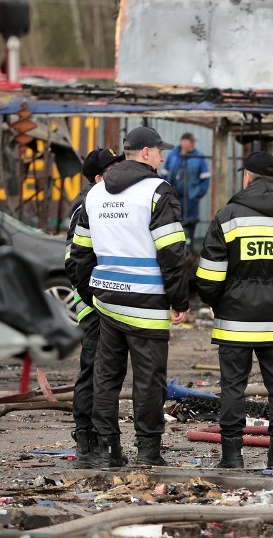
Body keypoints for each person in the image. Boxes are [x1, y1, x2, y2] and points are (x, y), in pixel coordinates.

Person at [70, 126, 190, 468]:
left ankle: (109, 448)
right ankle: (148, 450)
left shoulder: (96, 193)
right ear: (147, 153)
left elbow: (79, 254)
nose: (164, 158)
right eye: (160, 151)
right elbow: (172, 252)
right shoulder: (157, 191)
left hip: (107, 300)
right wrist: (179, 300)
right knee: (149, 379)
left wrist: (91, 293)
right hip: (147, 303)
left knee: (106, 377)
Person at [196, 151, 273, 469]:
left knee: (233, 388)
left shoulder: (228, 216)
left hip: (233, 321)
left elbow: (209, 276)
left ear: (247, 177)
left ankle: (233, 456)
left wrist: (219, 302)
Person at [64, 148, 124, 468]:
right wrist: (93, 300)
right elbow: (74, 262)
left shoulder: (107, 201)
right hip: (94, 305)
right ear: (99, 177)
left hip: (107, 301)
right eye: (114, 167)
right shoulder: (86, 206)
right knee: (93, 370)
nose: (120, 171)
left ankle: (102, 437)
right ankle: (87, 437)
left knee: (107, 372)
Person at [161, 132, 210, 252]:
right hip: (174, 198)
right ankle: (175, 250)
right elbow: (164, 174)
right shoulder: (173, 155)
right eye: (189, 143)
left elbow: (205, 178)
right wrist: (166, 192)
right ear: (183, 142)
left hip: (191, 199)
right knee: (174, 223)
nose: (191, 146)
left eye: (192, 144)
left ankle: (190, 252)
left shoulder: (199, 157)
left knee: (190, 224)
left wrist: (198, 194)